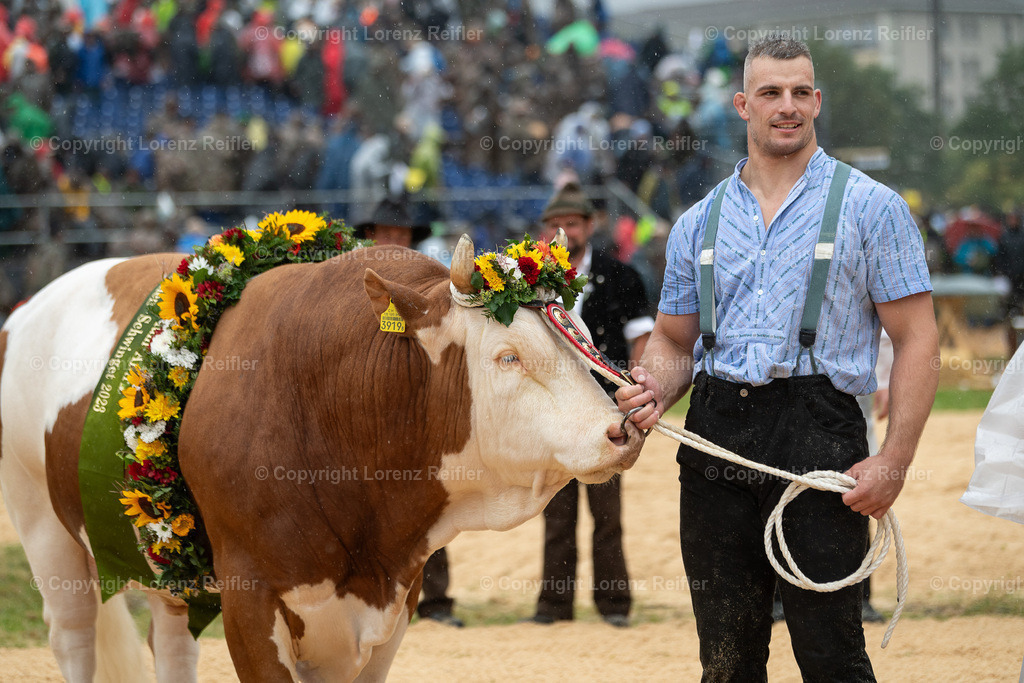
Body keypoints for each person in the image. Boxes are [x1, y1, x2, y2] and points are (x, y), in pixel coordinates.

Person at [617, 36, 939, 679]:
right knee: (726, 660)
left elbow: (919, 340)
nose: (786, 105)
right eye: (770, 92)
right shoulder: (696, 224)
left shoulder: (873, 208)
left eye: (799, 92)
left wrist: (895, 460)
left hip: (822, 434)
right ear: (743, 104)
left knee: (832, 655)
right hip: (718, 437)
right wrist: (650, 386)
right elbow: (676, 342)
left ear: (817, 101)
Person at [525, 181, 654, 628]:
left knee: (607, 513)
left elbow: (642, 341)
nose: (565, 231)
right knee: (556, 513)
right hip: (554, 412)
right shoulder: (530, 282)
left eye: (573, 223)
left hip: (607, 407)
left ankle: (614, 606)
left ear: (590, 225)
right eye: (556, 224)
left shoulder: (623, 276)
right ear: (545, 230)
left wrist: (636, 401)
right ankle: (553, 607)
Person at [356, 195, 461, 627]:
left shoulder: (431, 283)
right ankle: (365, 600)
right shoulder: (347, 283)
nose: (394, 241)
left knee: (426, 505)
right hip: (363, 409)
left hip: (415, 409)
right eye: (386, 234)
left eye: (401, 235)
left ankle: (434, 602)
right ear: (370, 237)